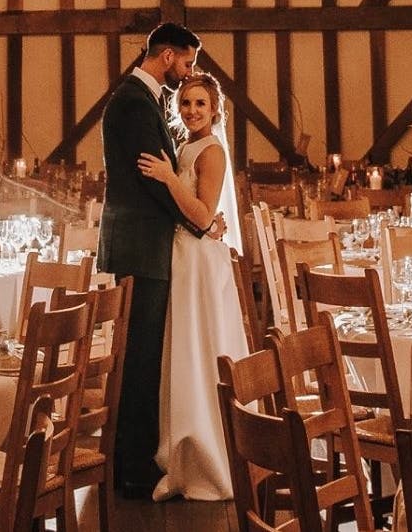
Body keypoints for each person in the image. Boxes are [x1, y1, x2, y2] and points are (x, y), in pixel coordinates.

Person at [97, 21, 215, 499]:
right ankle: (130, 467)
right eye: (186, 63)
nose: (187, 73)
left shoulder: (142, 100)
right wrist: (199, 223)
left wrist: (201, 218)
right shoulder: (133, 100)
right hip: (142, 247)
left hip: (143, 244)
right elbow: (151, 179)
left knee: (145, 356)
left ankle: (133, 458)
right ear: (167, 55)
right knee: (140, 358)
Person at [138, 71, 245, 502]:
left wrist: (167, 177)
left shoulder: (212, 151)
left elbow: (203, 217)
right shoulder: (184, 146)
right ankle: (181, 457)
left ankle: (208, 458)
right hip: (182, 256)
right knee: (181, 352)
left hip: (199, 261)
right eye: (186, 103)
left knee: (199, 350)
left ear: (215, 109)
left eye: (201, 104)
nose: (193, 110)